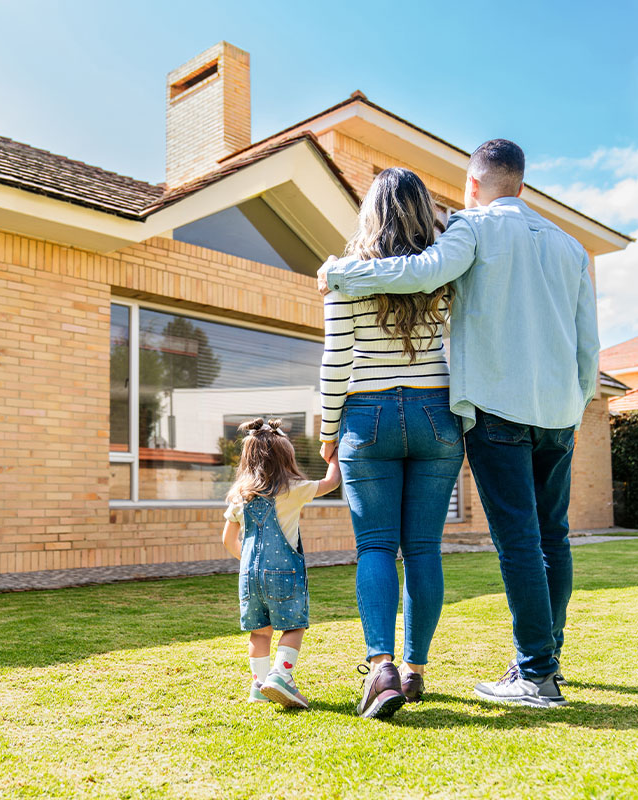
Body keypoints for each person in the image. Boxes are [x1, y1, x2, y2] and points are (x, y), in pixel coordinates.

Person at [318, 139, 600, 708]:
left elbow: (422, 275)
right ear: (521, 184)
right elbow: (588, 344)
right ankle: (536, 659)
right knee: (551, 536)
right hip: (551, 413)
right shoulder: (571, 247)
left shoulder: (470, 229)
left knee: (510, 541)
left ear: (472, 185)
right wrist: (578, 403)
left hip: (490, 410)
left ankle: (532, 673)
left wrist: (343, 274)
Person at [320, 167, 465, 718]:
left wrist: (328, 432)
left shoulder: (345, 276)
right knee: (424, 548)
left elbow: (337, 363)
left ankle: (380, 669)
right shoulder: (444, 272)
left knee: (376, 547)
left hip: (368, 415)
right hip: (436, 413)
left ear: (370, 214)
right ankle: (414, 671)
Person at [222, 417, 341, 709]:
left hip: (249, 576)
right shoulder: (293, 489)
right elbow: (332, 482)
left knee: (259, 631)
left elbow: (227, 539)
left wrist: (248, 562)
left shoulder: (240, 496)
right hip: (283, 574)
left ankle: (259, 686)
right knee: (293, 626)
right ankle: (281, 677)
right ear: (285, 459)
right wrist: (335, 454)